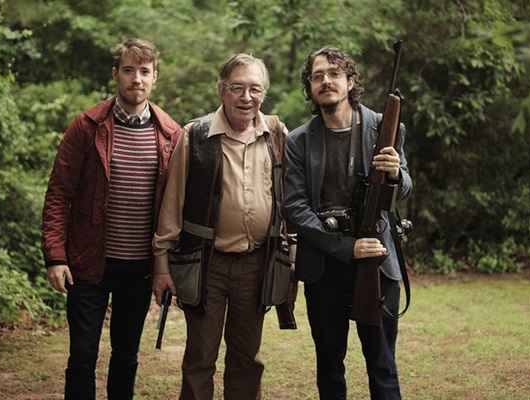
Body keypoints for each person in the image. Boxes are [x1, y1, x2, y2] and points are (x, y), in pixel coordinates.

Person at [41, 38, 181, 400]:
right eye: (129, 70)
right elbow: (59, 194)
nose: (137, 78)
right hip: (88, 263)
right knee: (83, 354)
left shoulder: (170, 135)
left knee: (126, 355)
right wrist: (55, 256)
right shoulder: (86, 127)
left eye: (145, 71)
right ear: (116, 74)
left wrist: (168, 267)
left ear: (155, 78)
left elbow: (177, 207)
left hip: (139, 268)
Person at [152, 53, 289, 400]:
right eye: (237, 88)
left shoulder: (276, 134)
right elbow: (172, 206)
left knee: (246, 358)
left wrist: (292, 255)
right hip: (206, 264)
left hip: (256, 264)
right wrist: (161, 268)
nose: (247, 97)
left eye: (255, 89)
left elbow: (289, 198)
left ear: (265, 92)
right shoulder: (195, 135)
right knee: (200, 357)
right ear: (221, 90)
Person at [283, 47, 412, 400]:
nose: (326, 81)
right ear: (309, 87)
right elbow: (295, 207)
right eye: (317, 76)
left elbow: (406, 189)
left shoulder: (383, 127)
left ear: (350, 81)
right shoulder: (297, 141)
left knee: (382, 364)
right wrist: (344, 246)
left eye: (334, 73)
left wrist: (396, 173)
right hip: (324, 266)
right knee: (329, 364)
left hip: (376, 259)